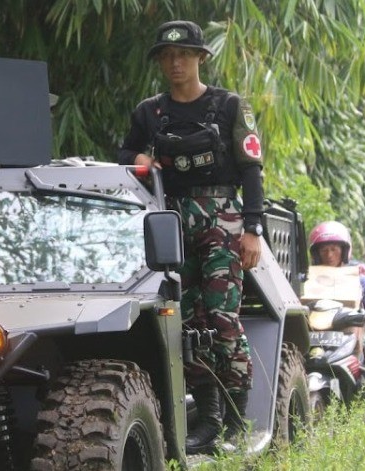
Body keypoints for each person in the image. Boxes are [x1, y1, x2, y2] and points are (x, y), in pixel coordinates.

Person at [118, 20, 263, 454]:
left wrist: (253, 229)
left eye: (183, 55)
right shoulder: (150, 111)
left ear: (201, 57)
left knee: (222, 319)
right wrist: (143, 157)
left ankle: (237, 420)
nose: (175, 62)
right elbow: (125, 153)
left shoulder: (230, 105)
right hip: (171, 220)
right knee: (184, 323)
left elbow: (252, 168)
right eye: (167, 56)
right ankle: (210, 421)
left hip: (222, 218)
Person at [307, 221, 365, 384]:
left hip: (349, 340)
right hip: (314, 338)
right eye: (324, 250)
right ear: (316, 254)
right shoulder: (306, 280)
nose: (329, 255)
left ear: (344, 251)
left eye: (334, 249)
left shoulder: (357, 279)